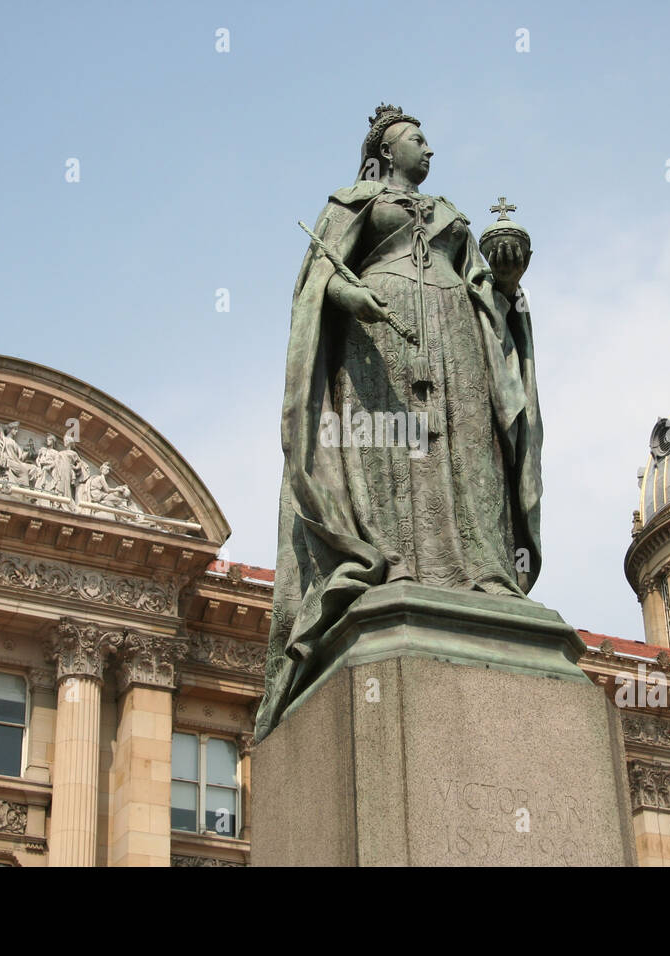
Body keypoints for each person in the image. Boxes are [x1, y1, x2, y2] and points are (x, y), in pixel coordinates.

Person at [256, 104, 546, 739]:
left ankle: (486, 573)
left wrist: (506, 282)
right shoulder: (353, 200)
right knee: (395, 455)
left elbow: (486, 288)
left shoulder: (450, 216)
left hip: (457, 336)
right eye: (418, 139)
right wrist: (349, 294)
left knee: (470, 448)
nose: (429, 151)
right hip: (378, 339)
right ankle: (396, 566)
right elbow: (315, 281)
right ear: (388, 150)